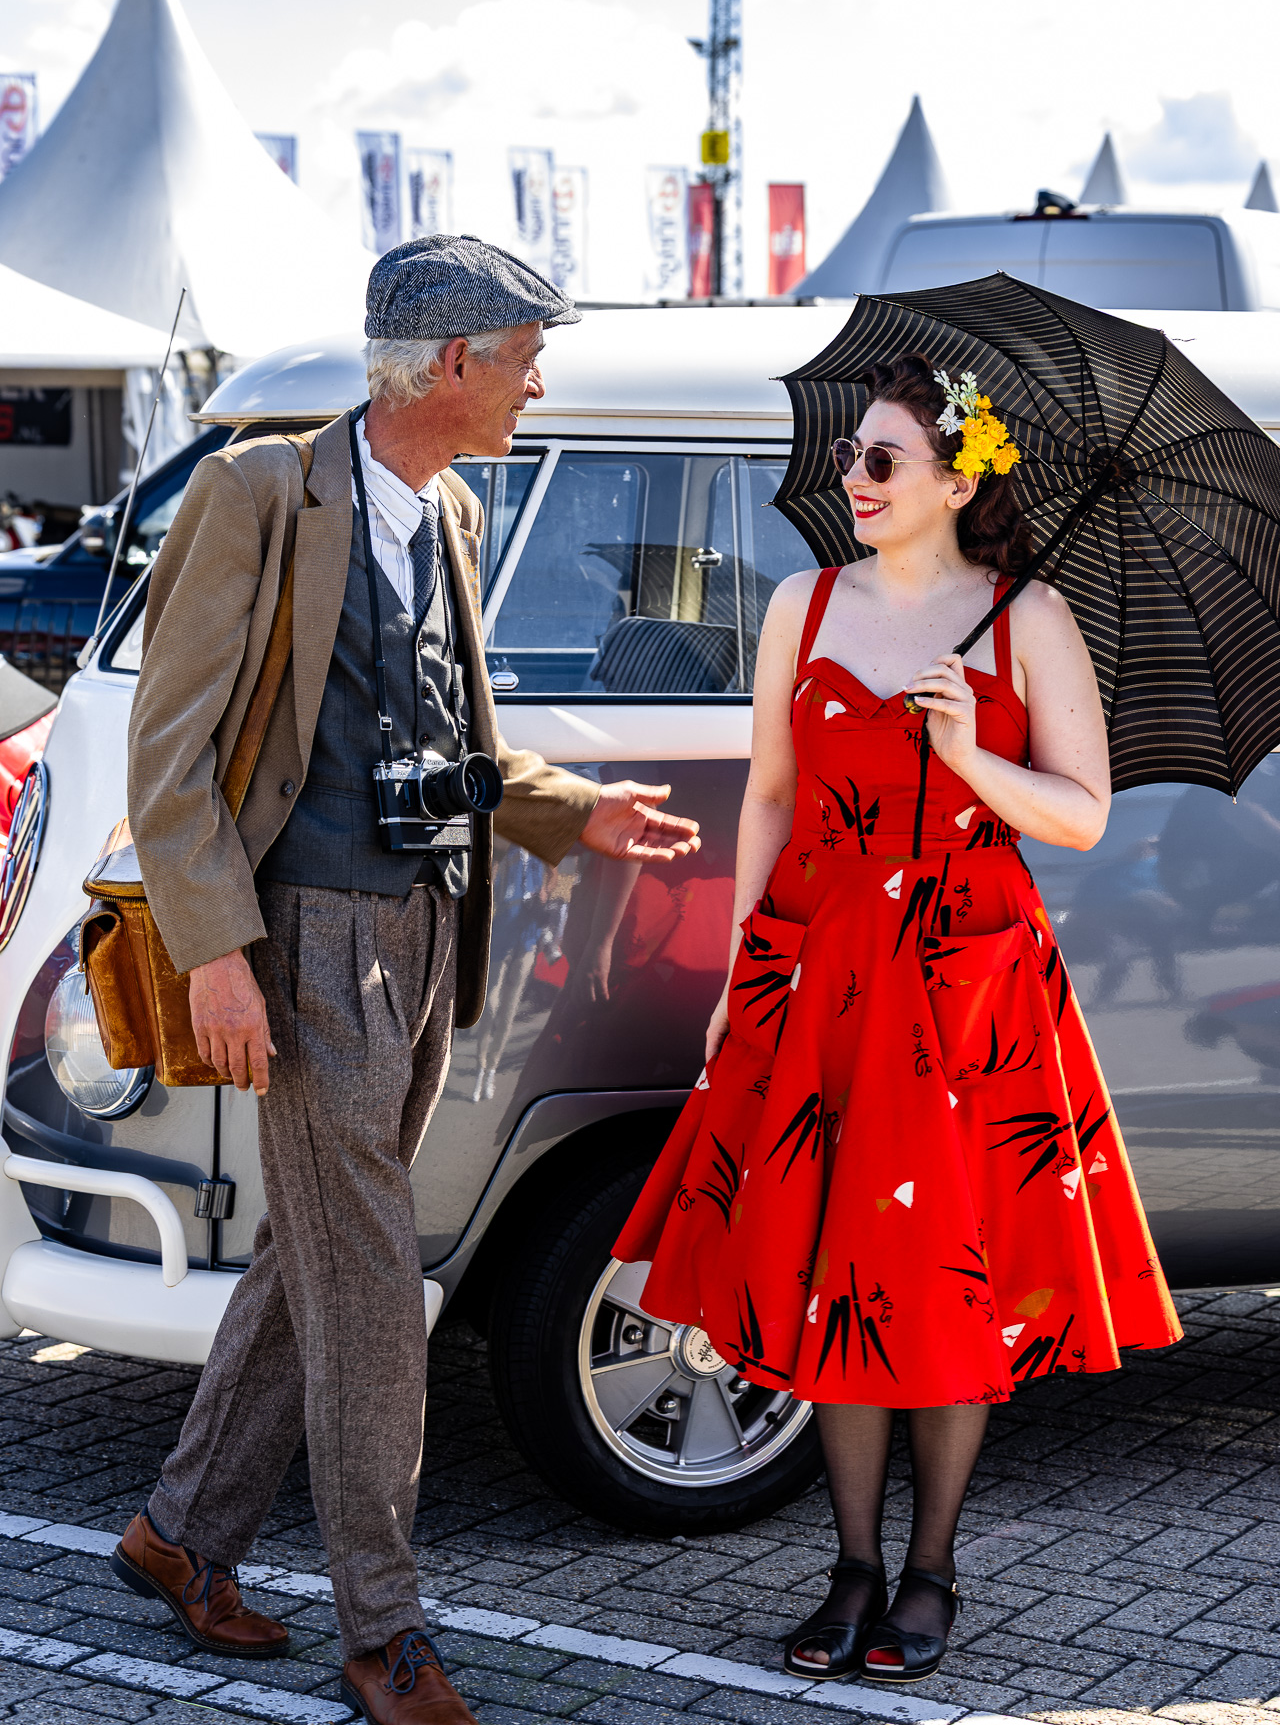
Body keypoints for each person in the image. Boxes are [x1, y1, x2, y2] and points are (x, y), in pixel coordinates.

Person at [114, 235, 699, 1725]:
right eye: (525, 359)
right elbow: (169, 757)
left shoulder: (447, 510)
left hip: (431, 935)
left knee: (316, 1253)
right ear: (451, 363)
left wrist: (572, 810)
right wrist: (219, 956)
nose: (535, 385)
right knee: (377, 1279)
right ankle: (384, 1630)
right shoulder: (261, 492)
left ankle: (179, 1535)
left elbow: (453, 738)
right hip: (305, 938)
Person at [613, 352, 1180, 1687]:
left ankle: (930, 1570)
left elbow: (1084, 814)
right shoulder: (802, 605)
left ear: (959, 480)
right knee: (834, 1272)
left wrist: (969, 755)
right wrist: (742, 976)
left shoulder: (1029, 616)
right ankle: (852, 1566)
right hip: (819, 972)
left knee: (936, 1279)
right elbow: (768, 794)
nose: (854, 480)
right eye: (849, 456)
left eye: (882, 461)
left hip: (969, 988)